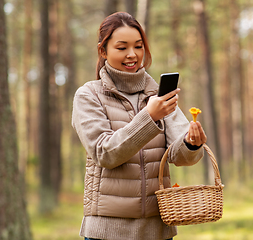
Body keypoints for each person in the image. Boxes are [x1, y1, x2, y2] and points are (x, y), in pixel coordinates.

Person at [72, 12, 207, 240]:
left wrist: (191, 144)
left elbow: (180, 157)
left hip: (158, 231)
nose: (132, 55)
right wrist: (149, 117)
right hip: (106, 233)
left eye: (138, 46)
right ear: (103, 51)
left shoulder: (158, 95)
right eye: (122, 47)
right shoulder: (88, 95)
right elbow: (105, 153)